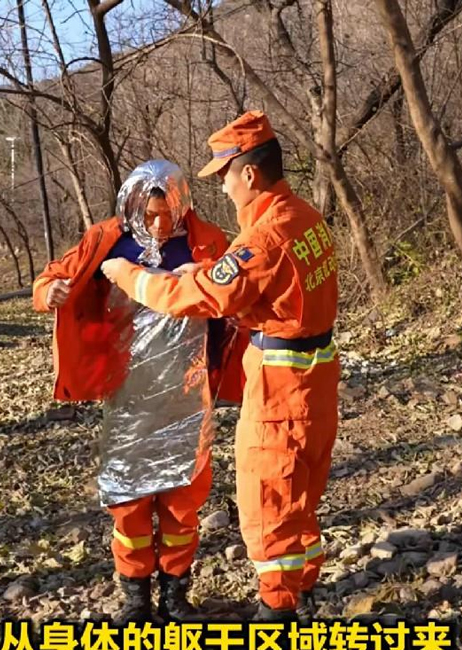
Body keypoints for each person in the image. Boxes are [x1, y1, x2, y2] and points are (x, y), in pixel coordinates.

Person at [101, 112, 340, 622]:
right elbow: (260, 280)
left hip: (280, 391)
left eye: (225, 175)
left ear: (248, 173)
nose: (224, 187)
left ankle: (277, 614)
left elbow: (196, 296)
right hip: (316, 382)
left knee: (267, 499)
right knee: (299, 495)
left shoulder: (265, 236)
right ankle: (302, 589)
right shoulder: (303, 216)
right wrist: (208, 270)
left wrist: (128, 276)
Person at [33, 159, 243, 622]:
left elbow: (238, 289)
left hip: (187, 397)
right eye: (149, 215)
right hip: (128, 396)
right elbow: (53, 275)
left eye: (168, 214)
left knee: (183, 501)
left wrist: (205, 274)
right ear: (131, 206)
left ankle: (175, 593)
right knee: (128, 502)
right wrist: (49, 292)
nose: (159, 224)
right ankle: (135, 596)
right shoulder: (106, 239)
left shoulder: (206, 240)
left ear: (182, 205)